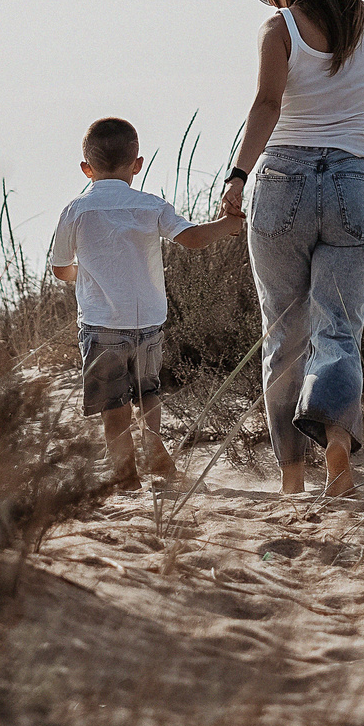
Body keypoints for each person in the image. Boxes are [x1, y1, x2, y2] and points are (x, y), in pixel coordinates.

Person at [219, 0, 364, 497]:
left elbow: (268, 104)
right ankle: (338, 447)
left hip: (283, 182)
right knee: (339, 328)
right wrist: (356, 161)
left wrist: (238, 176)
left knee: (283, 332)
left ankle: (292, 480)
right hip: (352, 179)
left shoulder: (281, 28)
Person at [48, 116, 245, 490]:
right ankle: (152, 438)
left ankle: (125, 470)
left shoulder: (76, 210)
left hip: (102, 323)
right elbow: (190, 238)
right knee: (148, 390)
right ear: (137, 164)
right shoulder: (151, 206)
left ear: (86, 168)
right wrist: (225, 226)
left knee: (113, 402)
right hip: (148, 321)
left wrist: (85, 274)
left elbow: (60, 269)